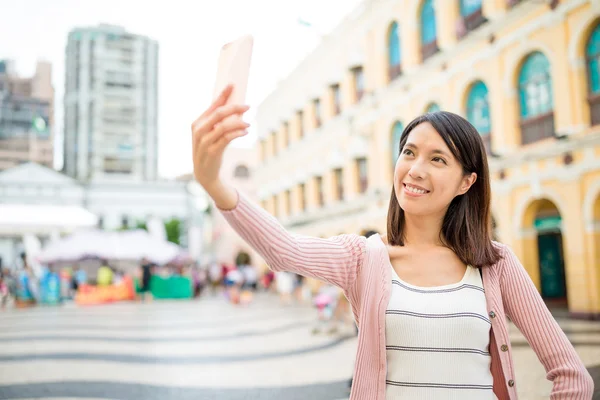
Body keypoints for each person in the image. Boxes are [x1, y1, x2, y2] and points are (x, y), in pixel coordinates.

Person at [190, 84, 593, 399]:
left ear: (466, 182)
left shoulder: (496, 263)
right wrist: (213, 182)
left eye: (438, 159)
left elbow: (573, 378)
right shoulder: (363, 257)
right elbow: (283, 249)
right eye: (409, 152)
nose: (415, 170)